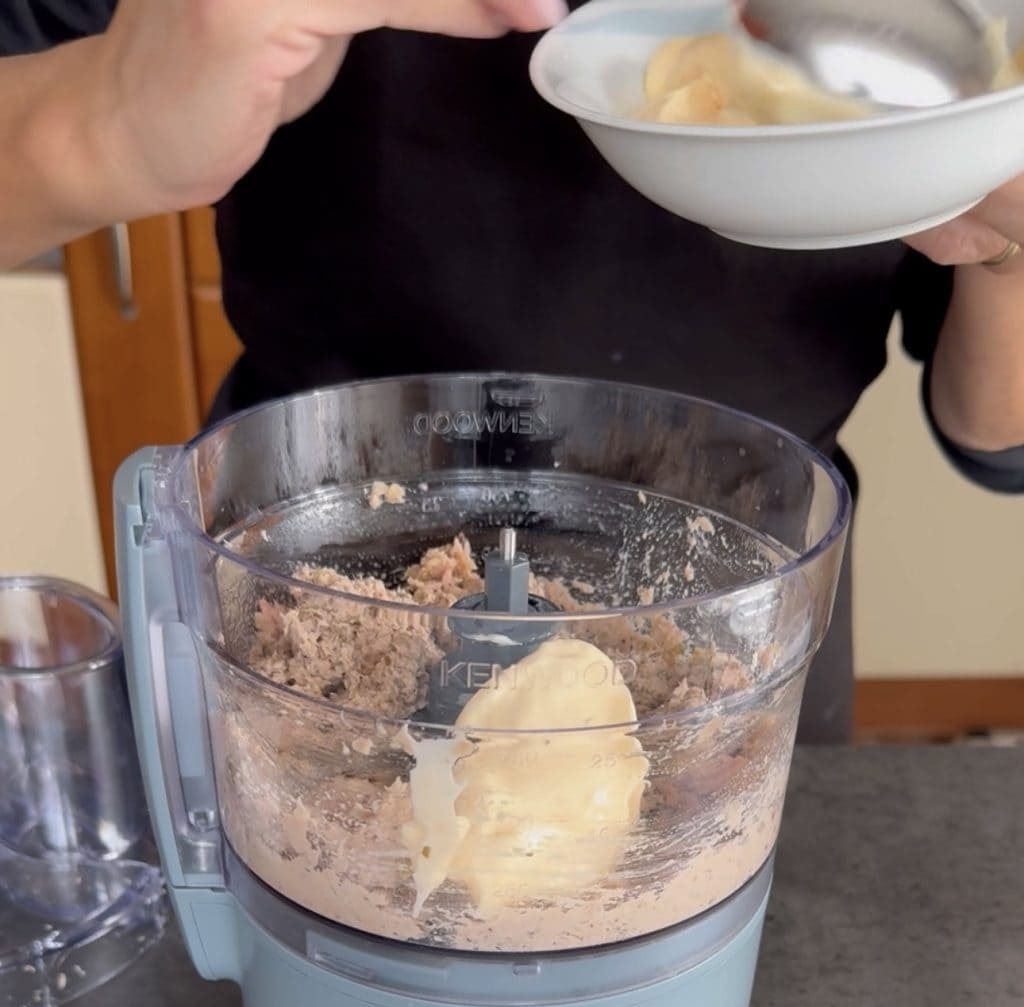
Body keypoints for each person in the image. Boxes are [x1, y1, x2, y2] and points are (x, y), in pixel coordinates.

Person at [3, 0, 1022, 742]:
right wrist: (101, 122)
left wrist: (1012, 244)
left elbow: (995, 433)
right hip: (307, 606)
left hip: (739, 629)